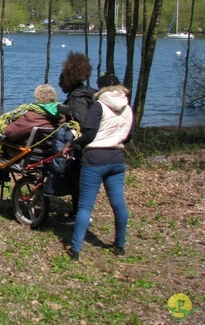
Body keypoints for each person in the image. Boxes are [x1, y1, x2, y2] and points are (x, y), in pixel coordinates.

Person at [61, 74, 134, 261]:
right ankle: (120, 245)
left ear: (100, 89)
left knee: (85, 207)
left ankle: (75, 249)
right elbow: (128, 136)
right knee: (118, 204)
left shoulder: (99, 106)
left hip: (94, 159)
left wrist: (74, 144)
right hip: (117, 158)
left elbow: (91, 134)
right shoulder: (127, 107)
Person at [53, 52, 98, 224]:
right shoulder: (88, 94)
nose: (59, 83)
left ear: (69, 80)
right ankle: (80, 212)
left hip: (81, 144)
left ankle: (79, 214)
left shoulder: (77, 99)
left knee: (74, 177)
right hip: (88, 144)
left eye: (61, 80)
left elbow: (83, 122)